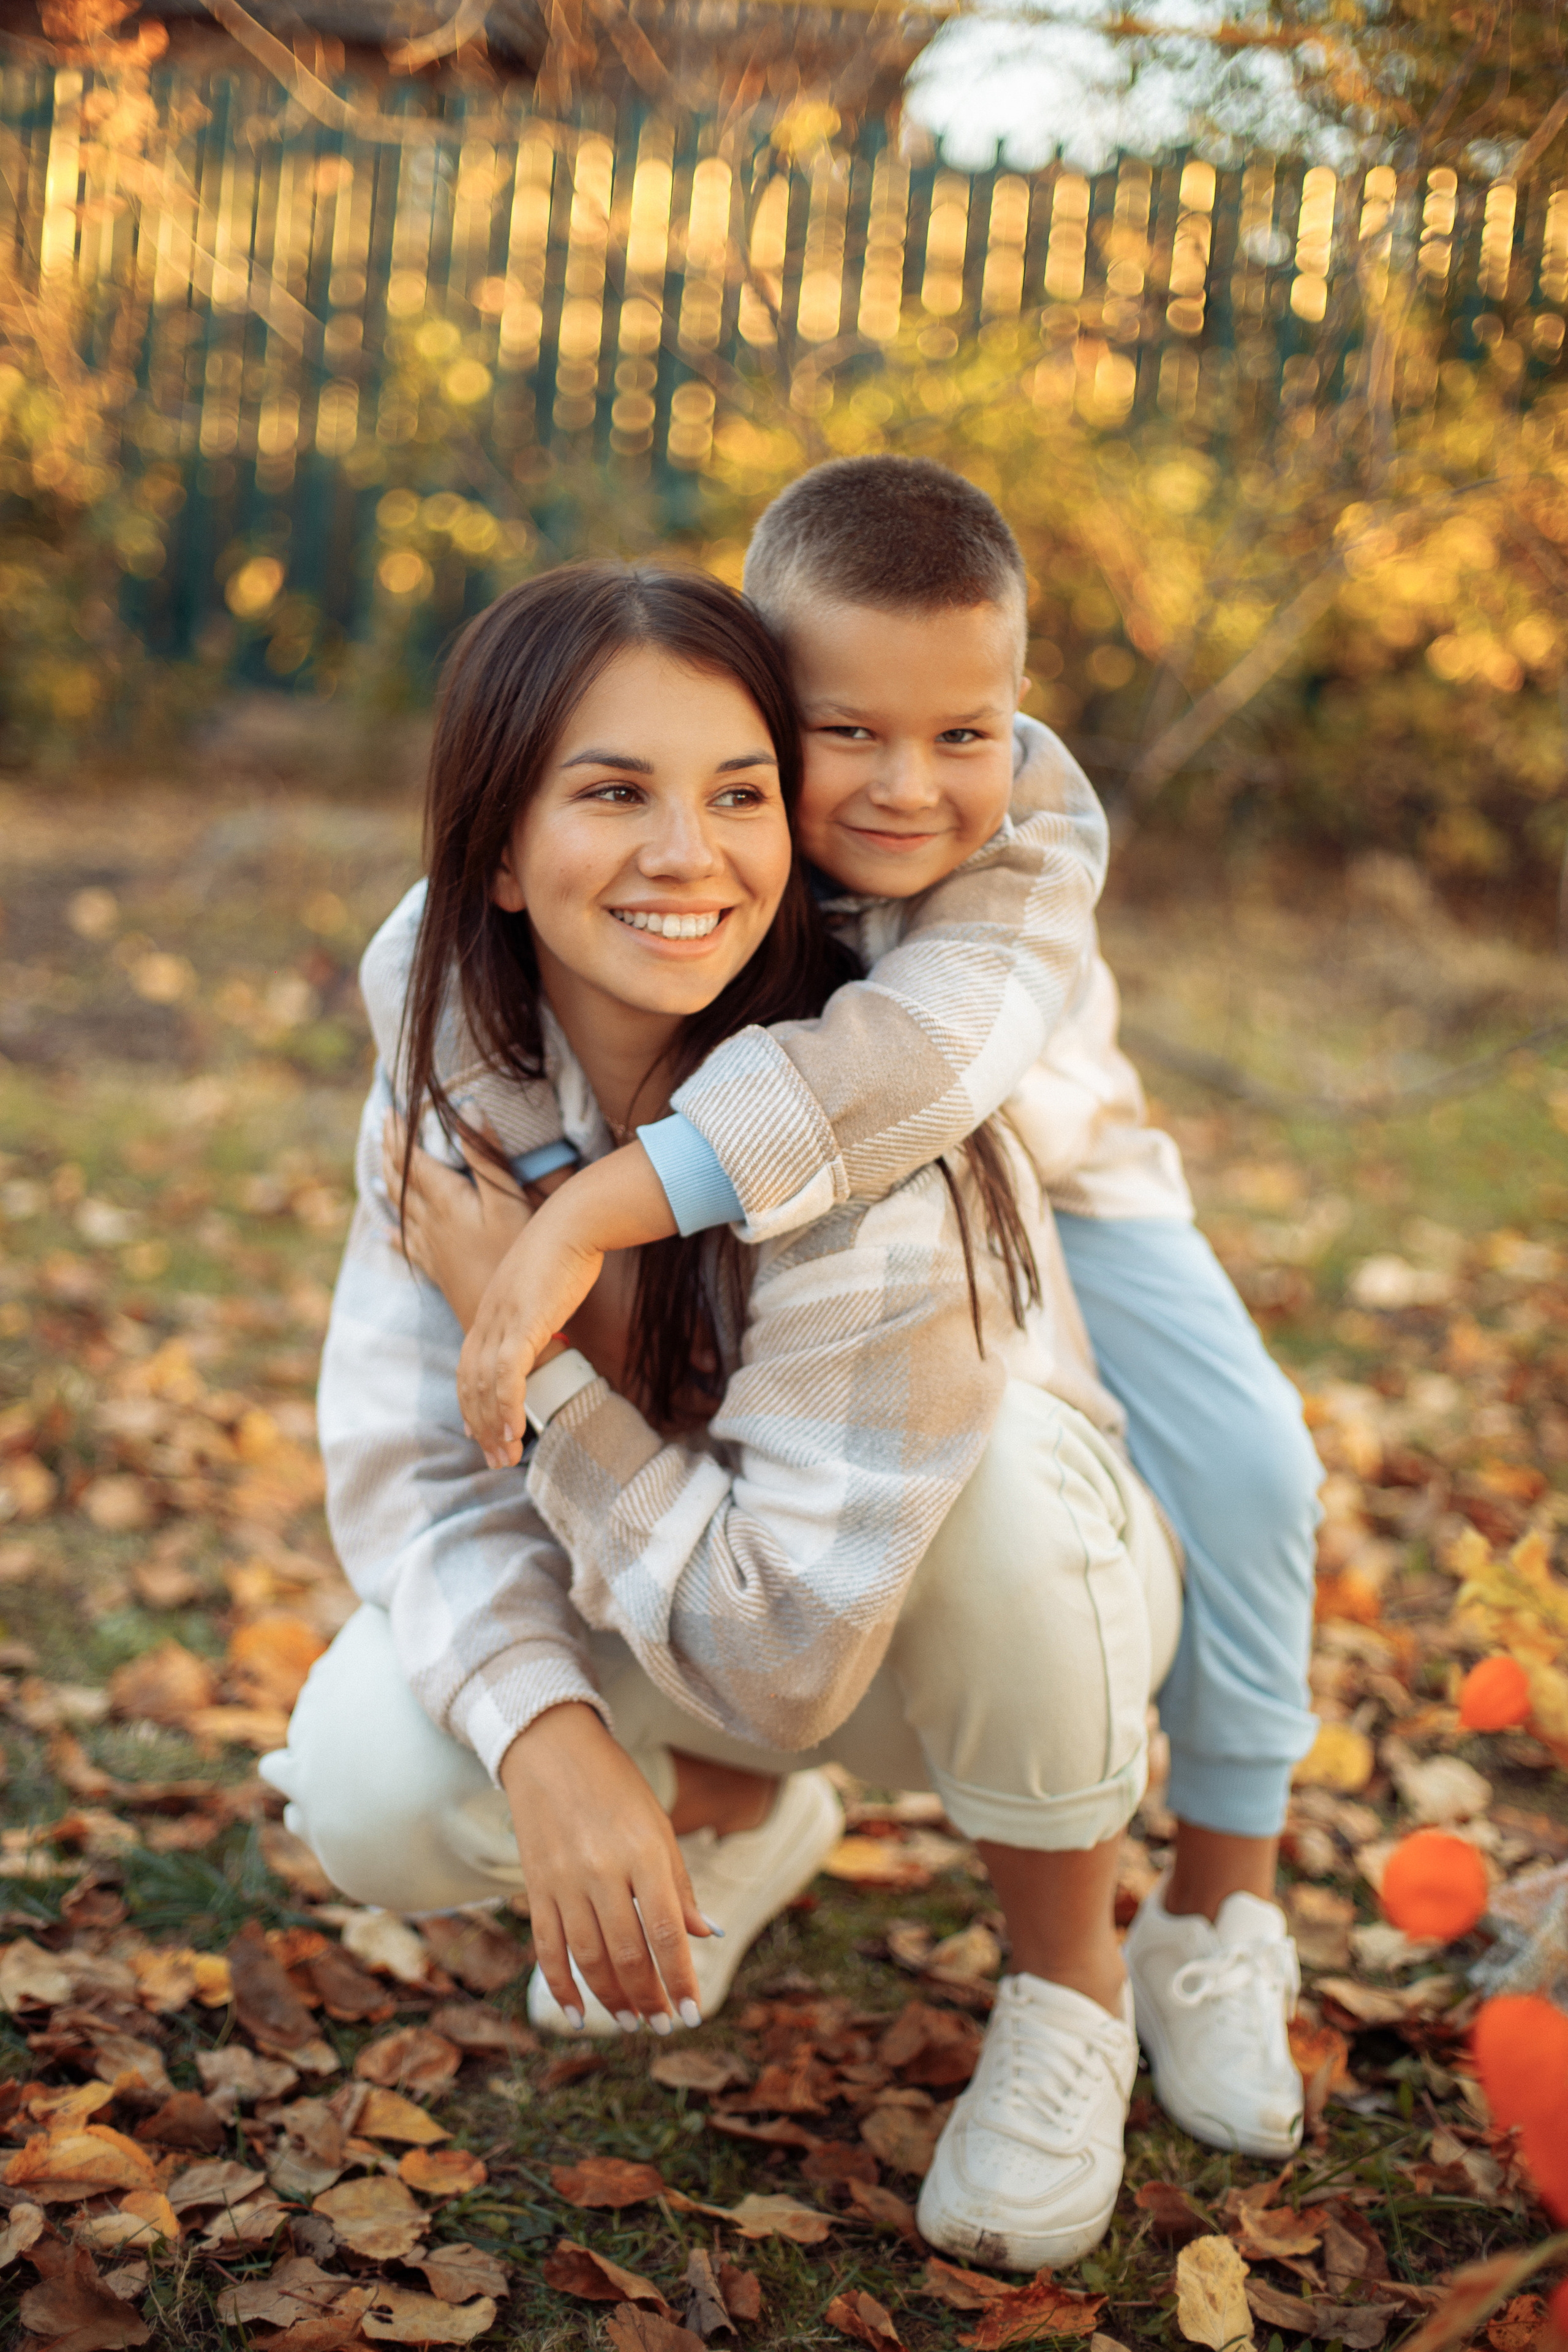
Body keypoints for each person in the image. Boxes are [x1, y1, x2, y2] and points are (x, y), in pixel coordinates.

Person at [263, 559, 1185, 2271]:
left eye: (741, 794)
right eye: (615, 793)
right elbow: (413, 1471)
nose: (690, 854)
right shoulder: (459, 1082)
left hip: (958, 1624)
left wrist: (541, 1358)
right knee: (367, 1782)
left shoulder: (859, 1109)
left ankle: (1073, 1989)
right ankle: (742, 1818)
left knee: (989, 1486)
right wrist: (550, 1741)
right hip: (697, 1593)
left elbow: (783, 1656)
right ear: (495, 853)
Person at [436, 459, 1322, 2163]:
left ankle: (1217, 1906)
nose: (910, 787)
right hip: (824, 1223)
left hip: (1075, 1197)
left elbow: (917, 1065)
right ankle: (741, 1801)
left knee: (1260, 1469)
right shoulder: (716, 803)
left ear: (1018, 708)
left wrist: (588, 1216)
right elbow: (453, 923)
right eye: (847, 733)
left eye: (963, 731)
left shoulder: (1035, 833)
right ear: (764, 693)